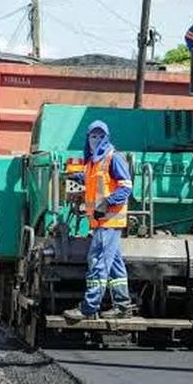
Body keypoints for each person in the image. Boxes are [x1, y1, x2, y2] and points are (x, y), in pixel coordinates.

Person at [63, 121, 134, 321]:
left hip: (108, 220)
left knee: (98, 261)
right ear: (87, 139)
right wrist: (74, 176)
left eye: (100, 136)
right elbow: (91, 179)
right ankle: (123, 306)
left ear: (107, 138)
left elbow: (126, 187)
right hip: (102, 222)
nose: (96, 140)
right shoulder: (93, 163)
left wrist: (107, 203)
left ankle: (88, 308)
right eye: (93, 136)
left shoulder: (113, 158)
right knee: (115, 265)